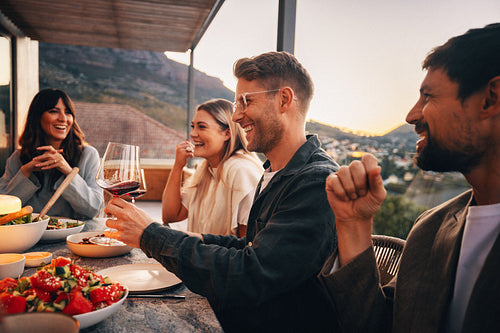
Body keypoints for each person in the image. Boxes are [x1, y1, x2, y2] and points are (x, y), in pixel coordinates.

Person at [103, 51, 340, 332]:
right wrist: (198, 237)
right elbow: (253, 245)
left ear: (284, 100)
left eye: (246, 101)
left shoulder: (316, 180)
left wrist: (150, 235)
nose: (237, 115)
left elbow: (250, 276)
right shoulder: (276, 172)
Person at [319, 23, 500, 333]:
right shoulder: (429, 230)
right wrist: (353, 224)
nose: (411, 115)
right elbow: (376, 326)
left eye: (427, 97)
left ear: (491, 99)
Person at [162, 98, 262, 236]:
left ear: (227, 133)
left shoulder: (241, 171)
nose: (192, 134)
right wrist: (178, 166)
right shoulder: (206, 170)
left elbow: (247, 243)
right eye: (193, 126)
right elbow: (170, 215)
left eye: (201, 126)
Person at [0, 88, 104, 220]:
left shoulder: (88, 155)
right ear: (38, 117)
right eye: (54, 111)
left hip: (74, 237)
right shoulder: (18, 157)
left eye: (68, 113)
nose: (63, 119)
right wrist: (26, 171)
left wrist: (67, 171)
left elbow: (93, 209)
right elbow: (2, 212)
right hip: (29, 238)